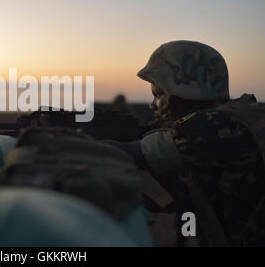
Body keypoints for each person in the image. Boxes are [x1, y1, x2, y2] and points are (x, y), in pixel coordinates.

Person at [105, 40, 265, 246]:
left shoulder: (212, 126)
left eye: (158, 94)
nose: (153, 105)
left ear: (185, 92)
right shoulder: (236, 115)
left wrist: (59, 139)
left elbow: (130, 153)